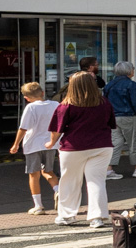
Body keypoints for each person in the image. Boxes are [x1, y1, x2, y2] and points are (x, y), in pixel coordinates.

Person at [49, 72, 116, 227]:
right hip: (102, 145)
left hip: (73, 147)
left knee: (70, 181)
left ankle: (67, 216)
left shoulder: (66, 105)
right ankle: (97, 217)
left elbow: (57, 129)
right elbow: (111, 124)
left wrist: (51, 142)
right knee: (97, 181)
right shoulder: (104, 102)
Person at [9, 81, 58, 214]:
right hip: (50, 143)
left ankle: (38, 206)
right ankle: (58, 191)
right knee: (48, 171)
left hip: (33, 144)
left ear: (27, 98)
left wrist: (16, 144)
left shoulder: (30, 108)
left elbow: (23, 128)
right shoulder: (55, 105)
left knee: (33, 175)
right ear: (42, 93)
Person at [106, 61, 136, 180]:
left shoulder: (109, 85)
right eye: (133, 69)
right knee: (134, 143)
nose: (133, 71)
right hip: (130, 116)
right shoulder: (131, 85)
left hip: (114, 117)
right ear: (129, 71)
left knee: (115, 142)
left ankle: (109, 170)